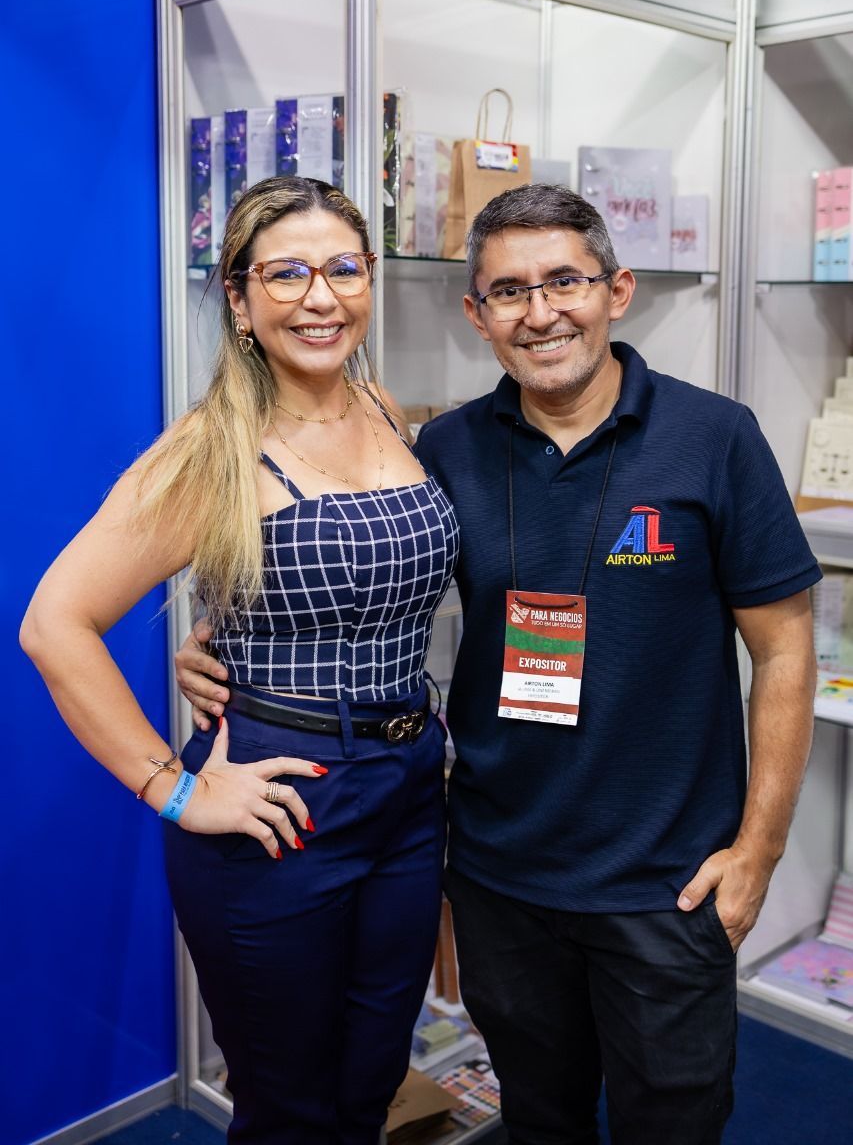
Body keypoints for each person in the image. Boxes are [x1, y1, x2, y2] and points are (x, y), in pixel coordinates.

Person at [177, 183, 819, 1145]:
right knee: (539, 1117)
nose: (541, 311)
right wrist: (222, 647)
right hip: (496, 874)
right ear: (476, 315)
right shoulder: (442, 447)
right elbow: (360, 577)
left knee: (672, 1122)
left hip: (666, 879)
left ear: (618, 289)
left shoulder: (714, 437)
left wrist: (759, 849)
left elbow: (784, 647)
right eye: (509, 292)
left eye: (565, 281)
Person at [20, 177, 459, 1145]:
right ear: (239, 297)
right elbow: (55, 623)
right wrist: (174, 789)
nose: (320, 296)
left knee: (373, 1082)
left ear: (369, 279)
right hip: (282, 800)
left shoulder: (381, 406)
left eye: (343, 268)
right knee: (287, 1110)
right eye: (287, 273)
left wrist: (227, 633)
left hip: (406, 784)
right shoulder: (210, 449)